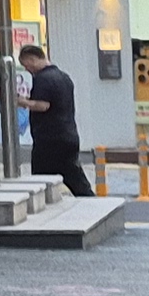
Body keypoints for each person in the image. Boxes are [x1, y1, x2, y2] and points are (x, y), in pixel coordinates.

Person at [16, 44, 90, 198]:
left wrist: (23, 102)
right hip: (68, 135)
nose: (27, 70)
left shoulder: (43, 79)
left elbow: (43, 105)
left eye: (26, 65)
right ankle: (91, 201)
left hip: (49, 140)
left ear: (33, 59)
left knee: (41, 182)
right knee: (74, 178)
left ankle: (43, 204)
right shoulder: (64, 77)